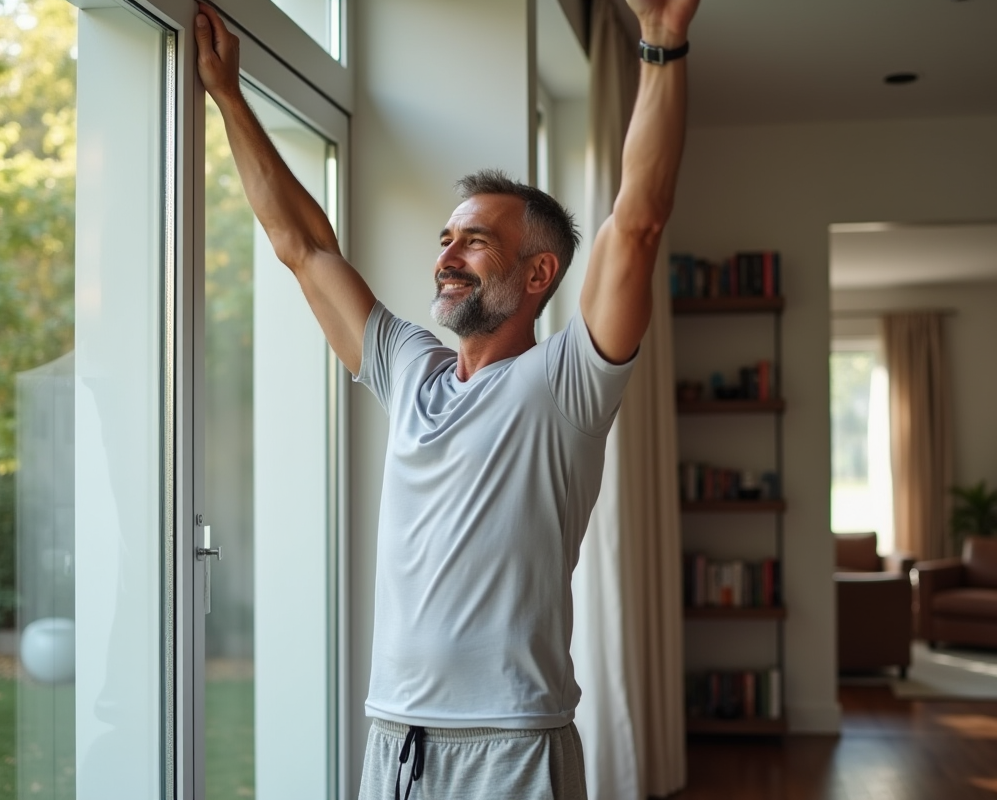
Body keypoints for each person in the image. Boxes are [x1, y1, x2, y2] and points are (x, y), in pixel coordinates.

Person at [195, 0, 699, 796]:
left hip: (511, 744)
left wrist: (662, 43)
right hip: (395, 737)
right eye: (444, 239)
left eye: (475, 241)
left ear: (538, 276)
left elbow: (637, 222)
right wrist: (227, 94)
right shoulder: (410, 372)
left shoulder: (564, 384)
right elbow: (304, 246)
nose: (447, 256)